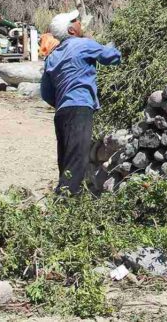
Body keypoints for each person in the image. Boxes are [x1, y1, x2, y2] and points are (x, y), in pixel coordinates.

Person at [40, 10, 121, 196]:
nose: (79, 23)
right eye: (75, 21)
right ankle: (64, 204)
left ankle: (69, 202)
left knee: (66, 158)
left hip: (61, 113)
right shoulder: (82, 44)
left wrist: (64, 101)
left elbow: (45, 93)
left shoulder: (52, 56)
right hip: (79, 109)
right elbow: (112, 57)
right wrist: (115, 44)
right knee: (78, 159)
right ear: (71, 30)